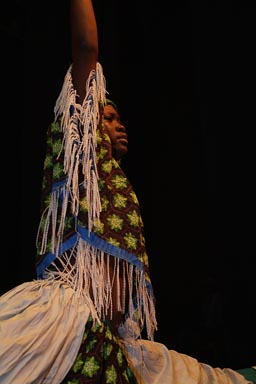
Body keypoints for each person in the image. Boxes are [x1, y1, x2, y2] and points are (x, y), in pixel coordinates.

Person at [0, 0, 255, 383]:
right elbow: (86, 47)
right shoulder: (80, 161)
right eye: (109, 117)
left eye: (119, 118)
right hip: (69, 323)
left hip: (112, 341)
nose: (120, 125)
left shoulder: (117, 188)